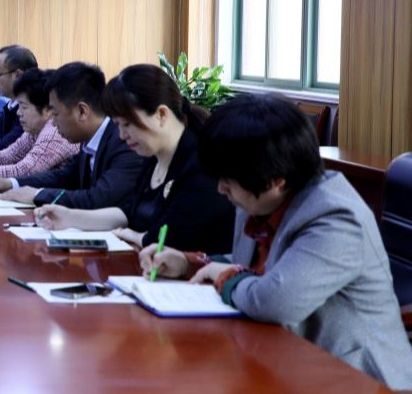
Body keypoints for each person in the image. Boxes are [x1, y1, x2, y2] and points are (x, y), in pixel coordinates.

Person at [140, 94, 412, 389]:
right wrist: (190, 263)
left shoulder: (336, 219)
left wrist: (226, 276)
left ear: (277, 180)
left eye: (228, 180)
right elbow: (255, 269)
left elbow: (275, 300)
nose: (220, 189)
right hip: (284, 360)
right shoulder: (259, 197)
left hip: (357, 378)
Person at [32, 64, 235, 253]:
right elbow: (128, 213)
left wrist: (135, 237)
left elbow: (171, 238)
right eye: (118, 125)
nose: (121, 135)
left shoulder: (201, 164)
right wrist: (68, 217)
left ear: (161, 114)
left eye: (127, 125)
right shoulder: (152, 158)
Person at [0, 62, 144, 210]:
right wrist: (10, 183)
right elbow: (63, 177)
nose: (53, 122)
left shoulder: (124, 142)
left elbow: (99, 198)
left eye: (56, 114)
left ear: (82, 111)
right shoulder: (89, 139)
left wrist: (38, 194)